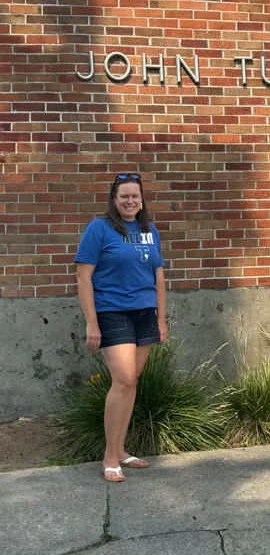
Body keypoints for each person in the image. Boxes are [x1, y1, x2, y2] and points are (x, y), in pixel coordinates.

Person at [75, 173, 168, 482]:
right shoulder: (98, 229)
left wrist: (161, 318)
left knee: (132, 382)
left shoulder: (149, 230)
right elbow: (83, 276)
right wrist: (92, 321)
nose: (130, 201)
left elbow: (158, 277)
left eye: (135, 196)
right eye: (124, 196)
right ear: (114, 200)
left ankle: (121, 449)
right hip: (112, 311)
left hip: (145, 312)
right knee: (124, 378)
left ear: (142, 201)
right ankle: (110, 456)